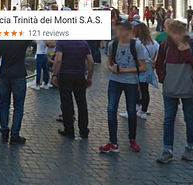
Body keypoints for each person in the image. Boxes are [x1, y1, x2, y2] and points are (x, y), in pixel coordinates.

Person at [154, 20, 193, 164]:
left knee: (189, 117)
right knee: (168, 119)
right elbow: (158, 65)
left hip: (188, 88)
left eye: (178, 34)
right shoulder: (165, 46)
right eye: (173, 34)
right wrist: (164, 79)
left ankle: (190, 146)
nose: (176, 37)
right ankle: (167, 150)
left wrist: (187, 53)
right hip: (170, 89)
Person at [99, 20, 149, 154]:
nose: (119, 33)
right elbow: (108, 61)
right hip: (115, 80)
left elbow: (143, 67)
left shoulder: (136, 45)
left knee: (131, 111)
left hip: (131, 82)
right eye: (117, 30)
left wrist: (124, 70)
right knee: (111, 109)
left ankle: (132, 139)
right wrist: (111, 68)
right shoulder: (112, 44)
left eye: (122, 30)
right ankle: (113, 142)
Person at [0, 35, 32, 144]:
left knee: (4, 104)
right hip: (19, 75)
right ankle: (15, 135)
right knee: (18, 106)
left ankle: (4, 132)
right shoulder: (23, 39)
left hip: (4, 75)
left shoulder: (1, 40)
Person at [52, 38, 93, 139]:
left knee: (66, 102)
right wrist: (89, 77)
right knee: (82, 103)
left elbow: (58, 59)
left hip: (65, 74)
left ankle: (69, 130)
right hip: (79, 75)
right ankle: (84, 130)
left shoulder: (61, 42)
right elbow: (91, 62)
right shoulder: (84, 43)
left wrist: (54, 74)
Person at [133, 22, 159, 119]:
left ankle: (135, 107)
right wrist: (153, 60)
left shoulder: (134, 42)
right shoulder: (153, 42)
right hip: (148, 67)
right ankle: (144, 109)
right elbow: (158, 52)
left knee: (134, 88)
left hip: (137, 66)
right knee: (145, 89)